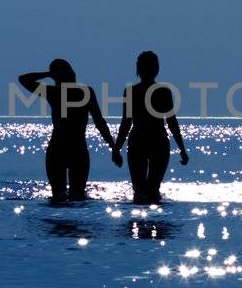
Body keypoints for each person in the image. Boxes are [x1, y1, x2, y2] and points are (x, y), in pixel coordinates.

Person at [17, 59, 116, 202]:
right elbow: (99, 122)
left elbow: (24, 79)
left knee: (58, 197)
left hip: (58, 148)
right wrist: (112, 146)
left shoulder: (53, 92)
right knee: (78, 196)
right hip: (78, 149)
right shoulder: (85, 92)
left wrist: (48, 74)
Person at [112, 50, 188, 204]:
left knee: (139, 192)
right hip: (158, 141)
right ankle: (156, 224)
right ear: (156, 69)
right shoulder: (163, 91)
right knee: (153, 190)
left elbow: (126, 123)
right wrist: (182, 149)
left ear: (138, 69)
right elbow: (171, 121)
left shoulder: (131, 91)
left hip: (138, 141)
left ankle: (138, 223)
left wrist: (117, 148)